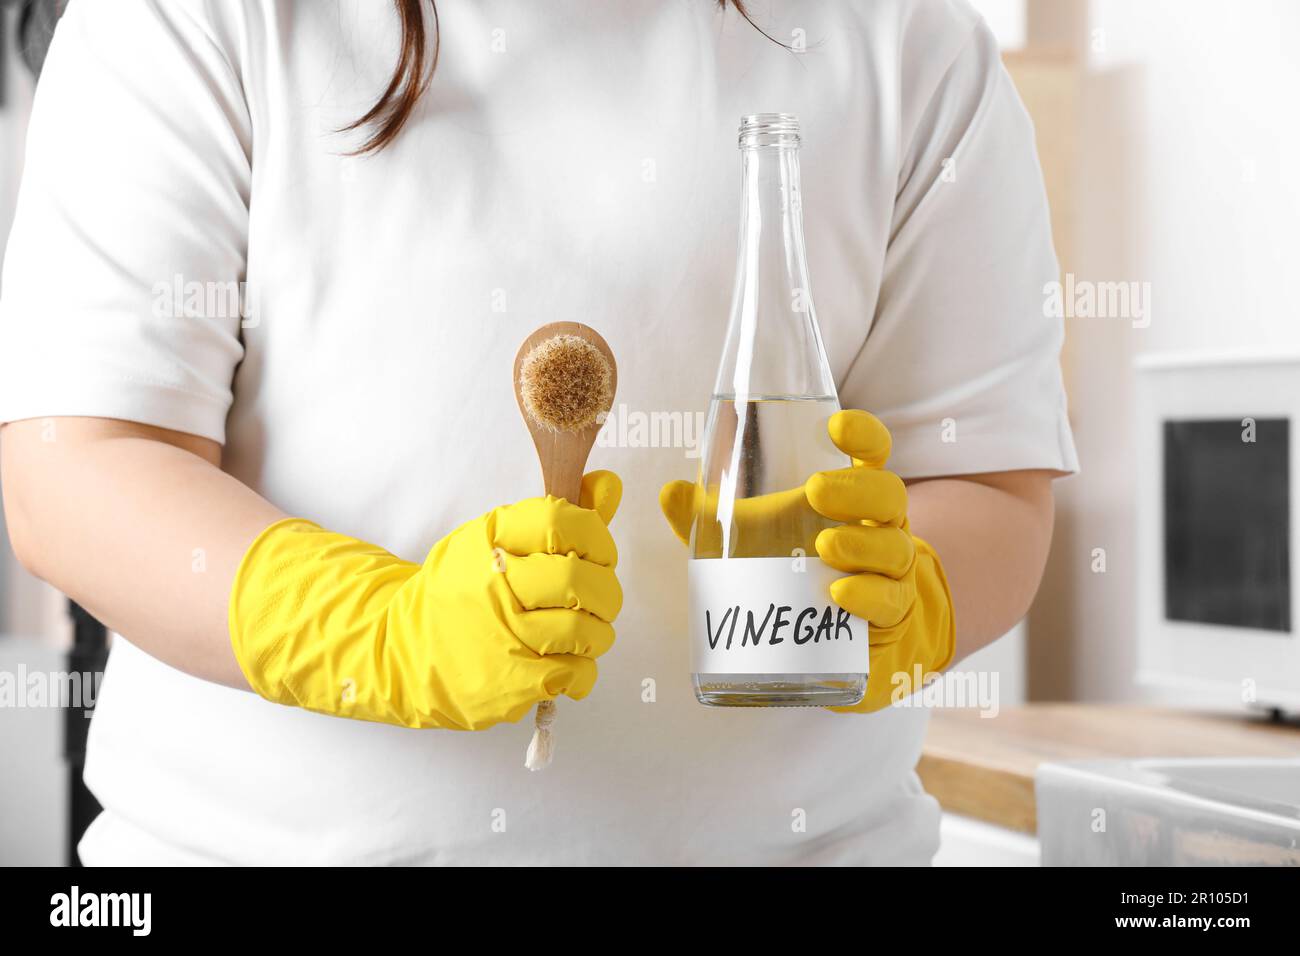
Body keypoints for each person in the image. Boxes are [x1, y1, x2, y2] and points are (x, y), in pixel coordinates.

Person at [0, 0, 1076, 865]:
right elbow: (75, 469)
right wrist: (384, 629)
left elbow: (988, 482)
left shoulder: (913, 44)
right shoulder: (185, 21)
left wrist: (910, 597)